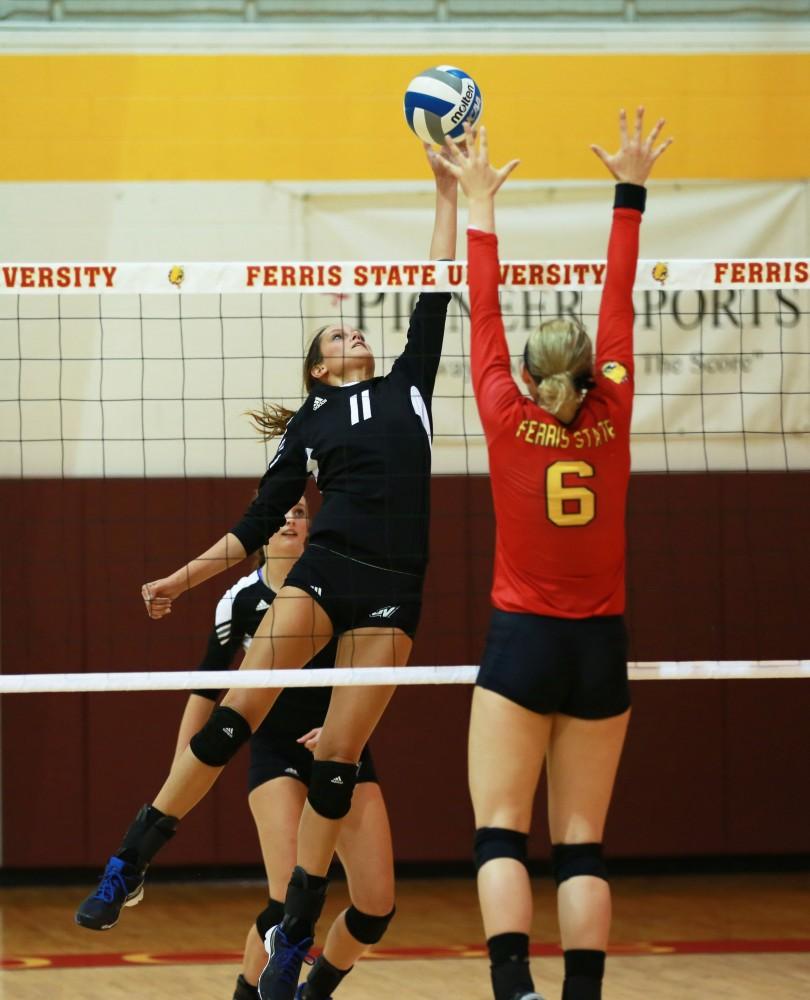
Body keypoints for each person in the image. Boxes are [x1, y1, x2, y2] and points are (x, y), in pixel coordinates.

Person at [75, 144, 459, 1000]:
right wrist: (180, 580)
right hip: (326, 569)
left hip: (397, 586)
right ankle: (128, 861)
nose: (351, 330)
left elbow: (438, 284)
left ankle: (292, 938)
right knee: (230, 723)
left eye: (353, 327)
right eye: (335, 336)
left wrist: (448, 193)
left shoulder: (411, 386)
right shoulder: (309, 428)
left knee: (340, 763)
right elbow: (256, 524)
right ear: (320, 369)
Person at [436, 109, 672, 1000]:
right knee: (582, 844)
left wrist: (478, 200)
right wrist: (630, 191)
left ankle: (513, 994)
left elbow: (483, 304)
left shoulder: (505, 411)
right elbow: (621, 299)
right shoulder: (611, 413)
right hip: (600, 647)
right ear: (590, 374)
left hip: (521, 643)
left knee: (500, 832)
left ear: (530, 378)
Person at [171, 497, 395, 1000]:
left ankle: (315, 991)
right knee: (287, 901)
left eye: (300, 512)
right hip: (276, 754)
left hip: (341, 748)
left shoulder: (344, 585)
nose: (292, 520)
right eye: (282, 514)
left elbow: (371, 671)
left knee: (376, 908)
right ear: (258, 532)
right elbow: (206, 688)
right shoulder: (241, 600)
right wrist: (183, 768)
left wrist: (341, 727)